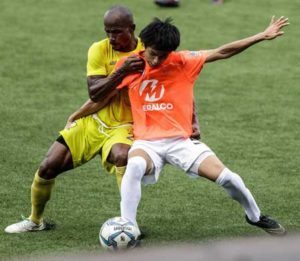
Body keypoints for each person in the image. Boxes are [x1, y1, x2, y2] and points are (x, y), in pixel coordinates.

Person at [111, 17, 288, 236]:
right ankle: (129, 229)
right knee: (135, 164)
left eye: (163, 55)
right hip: (146, 143)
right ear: (144, 46)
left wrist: (261, 35)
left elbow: (222, 52)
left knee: (228, 178)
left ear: (172, 52)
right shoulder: (129, 66)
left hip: (180, 142)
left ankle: (256, 217)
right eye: (152, 53)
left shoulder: (183, 61)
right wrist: (78, 115)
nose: (156, 60)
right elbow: (100, 95)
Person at [4, 5, 145, 234]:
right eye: (107, 31)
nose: (111, 38)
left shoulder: (146, 52)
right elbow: (95, 93)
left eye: (117, 32)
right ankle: (35, 221)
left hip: (125, 126)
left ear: (132, 29)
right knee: (48, 167)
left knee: (122, 156)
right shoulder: (98, 49)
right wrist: (121, 71)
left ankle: (128, 224)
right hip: (94, 121)